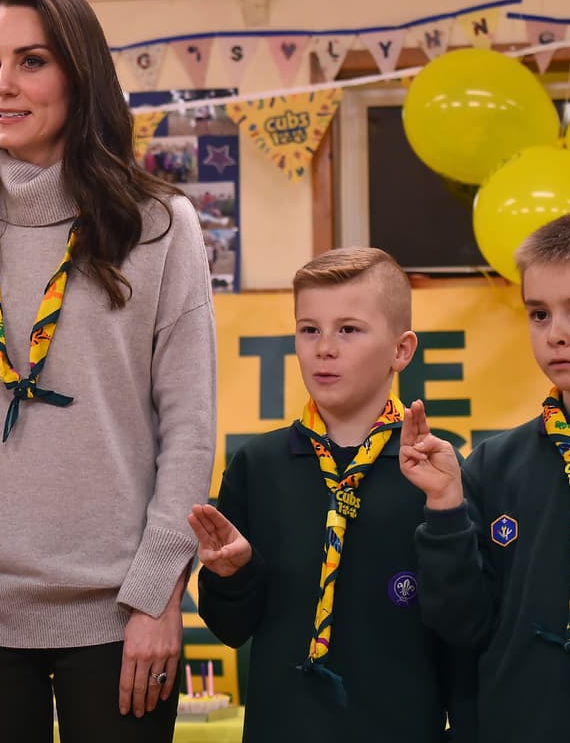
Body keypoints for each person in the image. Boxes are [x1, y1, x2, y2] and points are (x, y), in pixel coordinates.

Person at [0, 0, 217, 742]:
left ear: (81, 76)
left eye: (31, 61)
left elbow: (190, 430)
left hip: (120, 611)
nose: (2, 85)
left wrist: (157, 594)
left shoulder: (159, 225)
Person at [403, 211, 570, 740]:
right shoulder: (491, 464)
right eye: (538, 313)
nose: (556, 334)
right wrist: (444, 510)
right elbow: (461, 625)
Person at [190, 247, 470, 741]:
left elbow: (464, 626)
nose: (324, 348)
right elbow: (231, 628)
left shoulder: (434, 472)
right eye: (309, 329)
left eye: (349, 330)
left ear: (402, 350)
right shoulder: (259, 466)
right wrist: (232, 576)